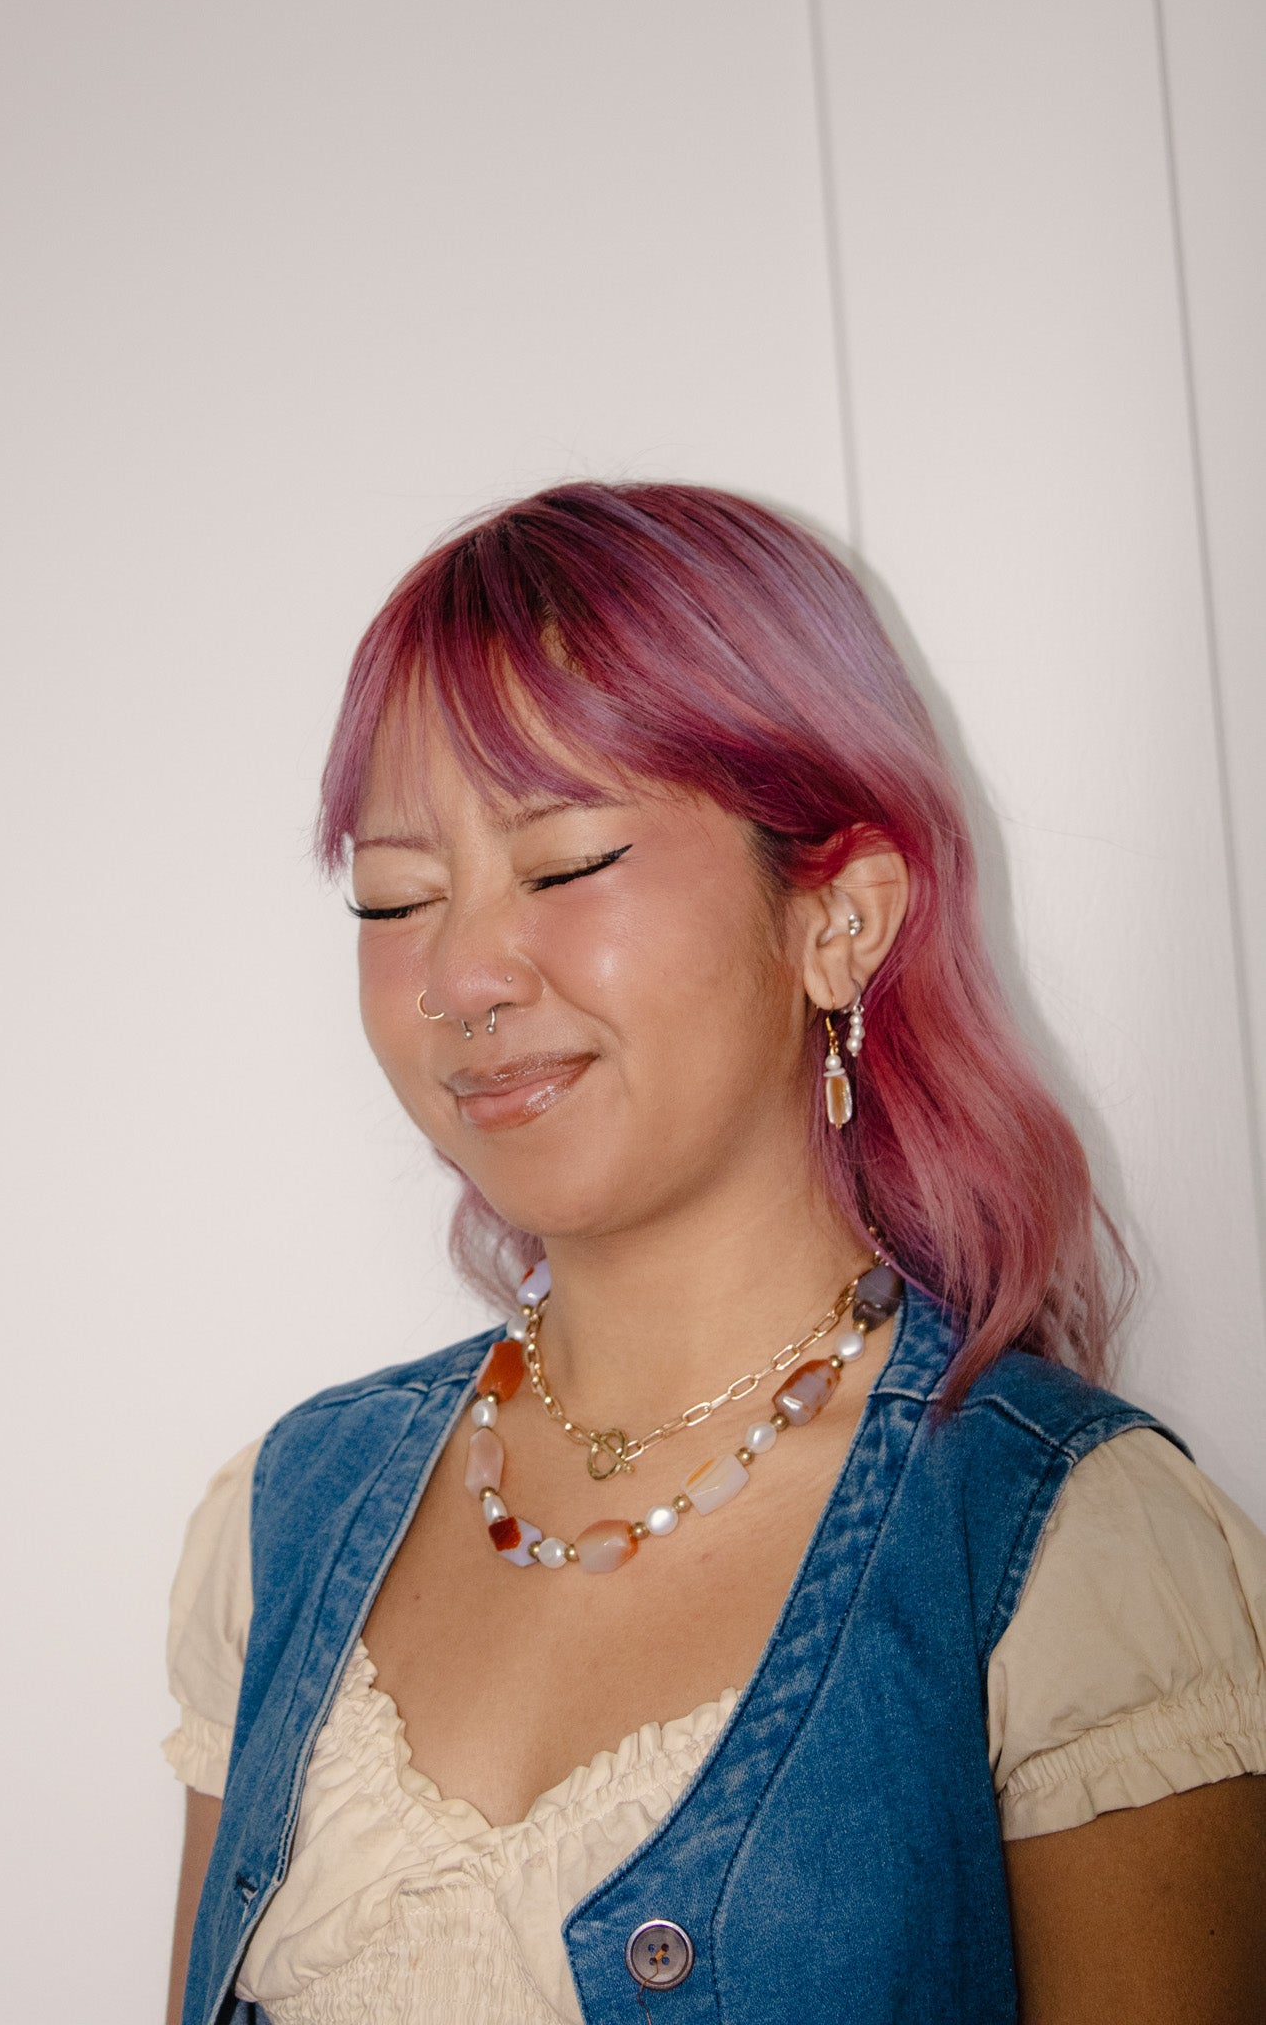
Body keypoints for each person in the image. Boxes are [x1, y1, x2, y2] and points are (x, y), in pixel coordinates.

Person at [163, 482, 1266, 2025]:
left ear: (838, 918)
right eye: (395, 895)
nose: (462, 975)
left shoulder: (1068, 1550)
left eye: (563, 864)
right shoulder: (284, 1520)